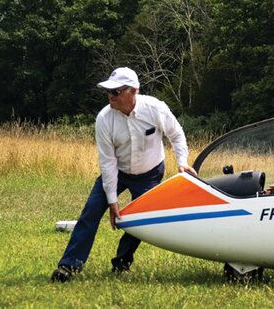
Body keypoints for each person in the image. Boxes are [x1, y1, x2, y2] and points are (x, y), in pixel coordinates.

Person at [51, 66, 196, 282]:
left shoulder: (156, 108)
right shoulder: (104, 119)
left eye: (116, 92)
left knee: (140, 220)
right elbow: (107, 161)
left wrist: (182, 163)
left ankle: (121, 262)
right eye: (108, 92)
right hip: (117, 171)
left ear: (133, 91)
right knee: (90, 212)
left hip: (149, 173)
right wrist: (112, 199)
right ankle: (69, 266)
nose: (110, 96)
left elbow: (176, 134)